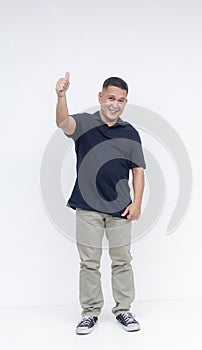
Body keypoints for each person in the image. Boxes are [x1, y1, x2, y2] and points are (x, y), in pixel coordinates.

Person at [55, 73, 146, 335]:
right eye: (110, 98)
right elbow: (63, 121)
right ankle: (90, 312)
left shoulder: (130, 132)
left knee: (121, 261)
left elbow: (138, 170)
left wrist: (137, 203)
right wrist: (61, 96)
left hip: (120, 210)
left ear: (125, 103)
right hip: (87, 208)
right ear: (100, 98)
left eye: (121, 100)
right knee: (89, 263)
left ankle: (124, 310)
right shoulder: (84, 124)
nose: (115, 104)